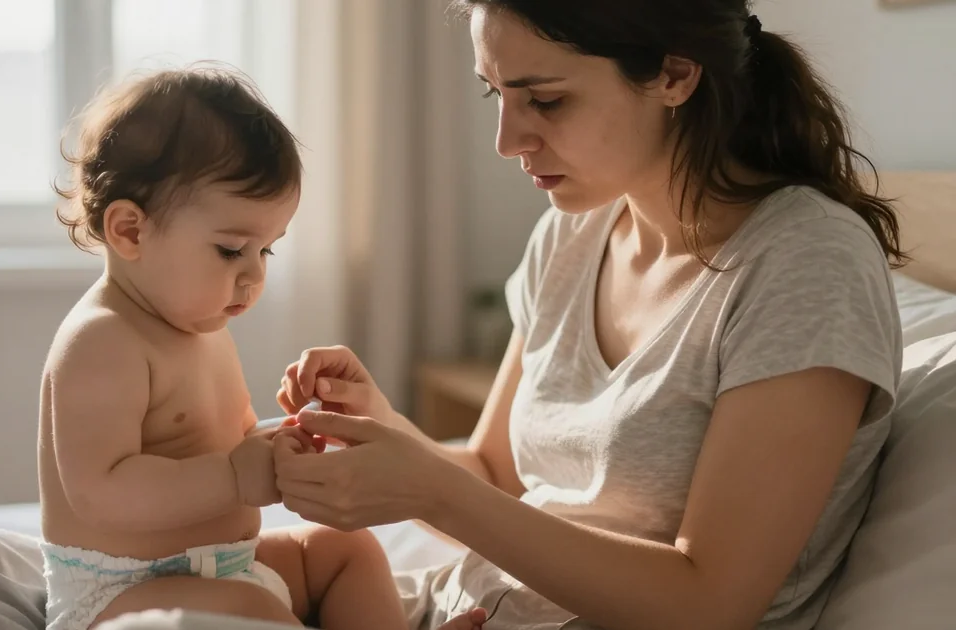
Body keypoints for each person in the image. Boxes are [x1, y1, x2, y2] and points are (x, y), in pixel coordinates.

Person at [273, 2, 906, 629]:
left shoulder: (808, 262)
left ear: (675, 75)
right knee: (234, 577)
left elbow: (708, 604)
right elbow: (497, 479)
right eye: (495, 94)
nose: (506, 142)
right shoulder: (571, 236)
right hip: (450, 607)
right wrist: (378, 429)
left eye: (545, 101)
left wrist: (432, 489)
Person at [36, 65, 488, 630]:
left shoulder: (201, 330)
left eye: (266, 250)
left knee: (343, 550)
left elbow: (227, 444)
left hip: (230, 569)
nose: (253, 275)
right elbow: (101, 493)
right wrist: (234, 477)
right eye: (231, 250)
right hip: (118, 597)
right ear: (130, 231)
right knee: (253, 611)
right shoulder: (102, 341)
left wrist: (287, 440)